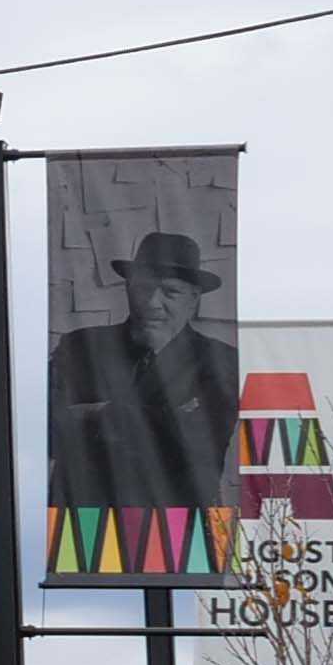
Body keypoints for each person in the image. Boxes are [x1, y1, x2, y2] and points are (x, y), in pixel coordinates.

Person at [49, 225, 239, 547]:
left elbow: (201, 441)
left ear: (193, 300)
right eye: (144, 288)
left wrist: (93, 415)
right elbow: (50, 429)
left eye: (170, 292)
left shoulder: (221, 361)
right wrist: (163, 417)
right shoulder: (80, 347)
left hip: (179, 531)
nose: (152, 302)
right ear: (127, 288)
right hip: (85, 526)